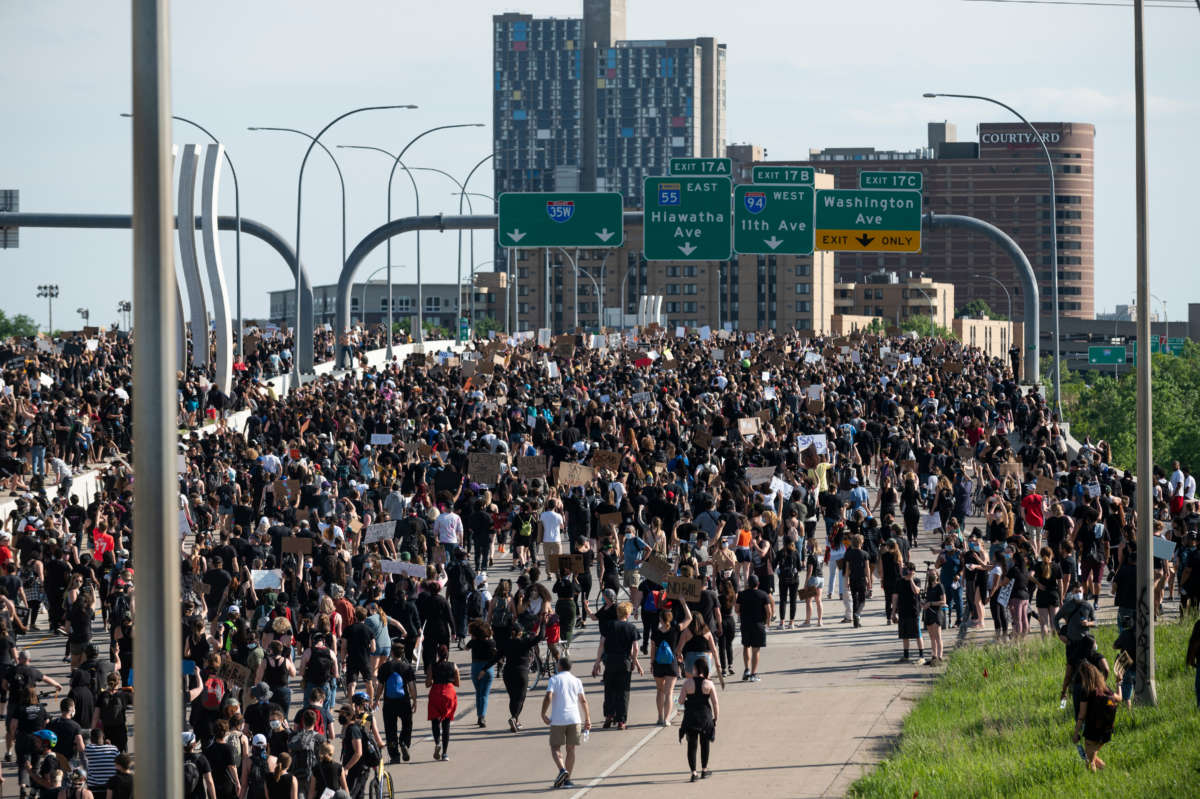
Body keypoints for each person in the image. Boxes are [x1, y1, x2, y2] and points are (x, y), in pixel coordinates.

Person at [540, 656, 590, 790]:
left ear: (560, 666)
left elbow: (548, 696)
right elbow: (583, 701)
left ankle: (562, 770)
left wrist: (543, 713)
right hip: (575, 719)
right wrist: (588, 719)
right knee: (571, 749)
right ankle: (568, 780)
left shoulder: (554, 679)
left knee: (555, 747)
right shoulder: (577, 681)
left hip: (558, 719)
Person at [591, 602, 642, 730]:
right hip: (624, 661)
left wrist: (597, 662)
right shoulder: (631, 628)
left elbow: (601, 644)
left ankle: (609, 715)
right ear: (628, 613)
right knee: (623, 691)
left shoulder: (608, 626)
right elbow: (635, 647)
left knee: (609, 689)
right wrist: (634, 661)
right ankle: (621, 720)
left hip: (610, 661)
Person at [677, 658, 719, 782]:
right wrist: (716, 717)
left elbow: (680, 701)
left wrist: (685, 702)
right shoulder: (709, 684)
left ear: (695, 669)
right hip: (705, 717)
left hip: (691, 717)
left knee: (692, 746)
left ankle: (693, 773)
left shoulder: (687, 683)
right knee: (705, 744)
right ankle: (704, 770)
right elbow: (715, 703)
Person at [374, 642, 416, 763]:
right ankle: (404, 743)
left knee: (390, 729)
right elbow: (412, 686)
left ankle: (394, 756)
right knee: (407, 724)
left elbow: (380, 686)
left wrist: (377, 700)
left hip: (389, 703)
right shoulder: (407, 667)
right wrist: (414, 700)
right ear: (402, 654)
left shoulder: (385, 667)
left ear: (392, 653)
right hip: (404, 701)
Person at [1073, 661, 1118, 771]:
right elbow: (1119, 699)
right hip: (1106, 730)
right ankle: (1107, 772)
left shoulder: (1086, 691)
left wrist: (1076, 733)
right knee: (1093, 756)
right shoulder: (1105, 688)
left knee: (1090, 761)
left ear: (1083, 676)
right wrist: (1119, 683)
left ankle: (1092, 780)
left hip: (1092, 730)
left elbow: (1082, 715)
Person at [735, 574, 773, 682]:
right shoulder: (763, 594)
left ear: (748, 584)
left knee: (746, 646)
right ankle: (753, 673)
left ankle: (746, 669)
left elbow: (737, 609)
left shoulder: (742, 594)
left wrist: (742, 614)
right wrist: (767, 623)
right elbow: (769, 611)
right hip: (758, 624)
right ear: (758, 584)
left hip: (745, 624)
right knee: (756, 650)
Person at [425, 644, 460, 761]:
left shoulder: (432, 666)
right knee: (446, 724)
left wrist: (435, 679)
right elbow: (457, 683)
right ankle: (445, 753)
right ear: (447, 654)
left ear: (438, 655)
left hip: (435, 692)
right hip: (449, 693)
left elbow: (427, 684)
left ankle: (437, 742)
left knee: (435, 721)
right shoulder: (453, 665)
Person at [464, 620, 497, 728]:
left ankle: (479, 715)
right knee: (484, 694)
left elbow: (466, 648)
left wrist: (473, 639)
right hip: (487, 669)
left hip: (475, 667)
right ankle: (482, 716)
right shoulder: (491, 643)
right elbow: (496, 656)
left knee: (478, 692)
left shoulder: (473, 642)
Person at [890, 563, 924, 662]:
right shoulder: (899, 582)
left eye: (909, 570)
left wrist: (911, 579)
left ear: (913, 571)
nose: (906, 572)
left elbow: (916, 591)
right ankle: (906, 655)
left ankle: (921, 656)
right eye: (905, 570)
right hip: (903, 610)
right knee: (904, 634)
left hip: (914, 611)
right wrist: (893, 612)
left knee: (917, 634)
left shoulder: (916, 580)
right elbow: (895, 597)